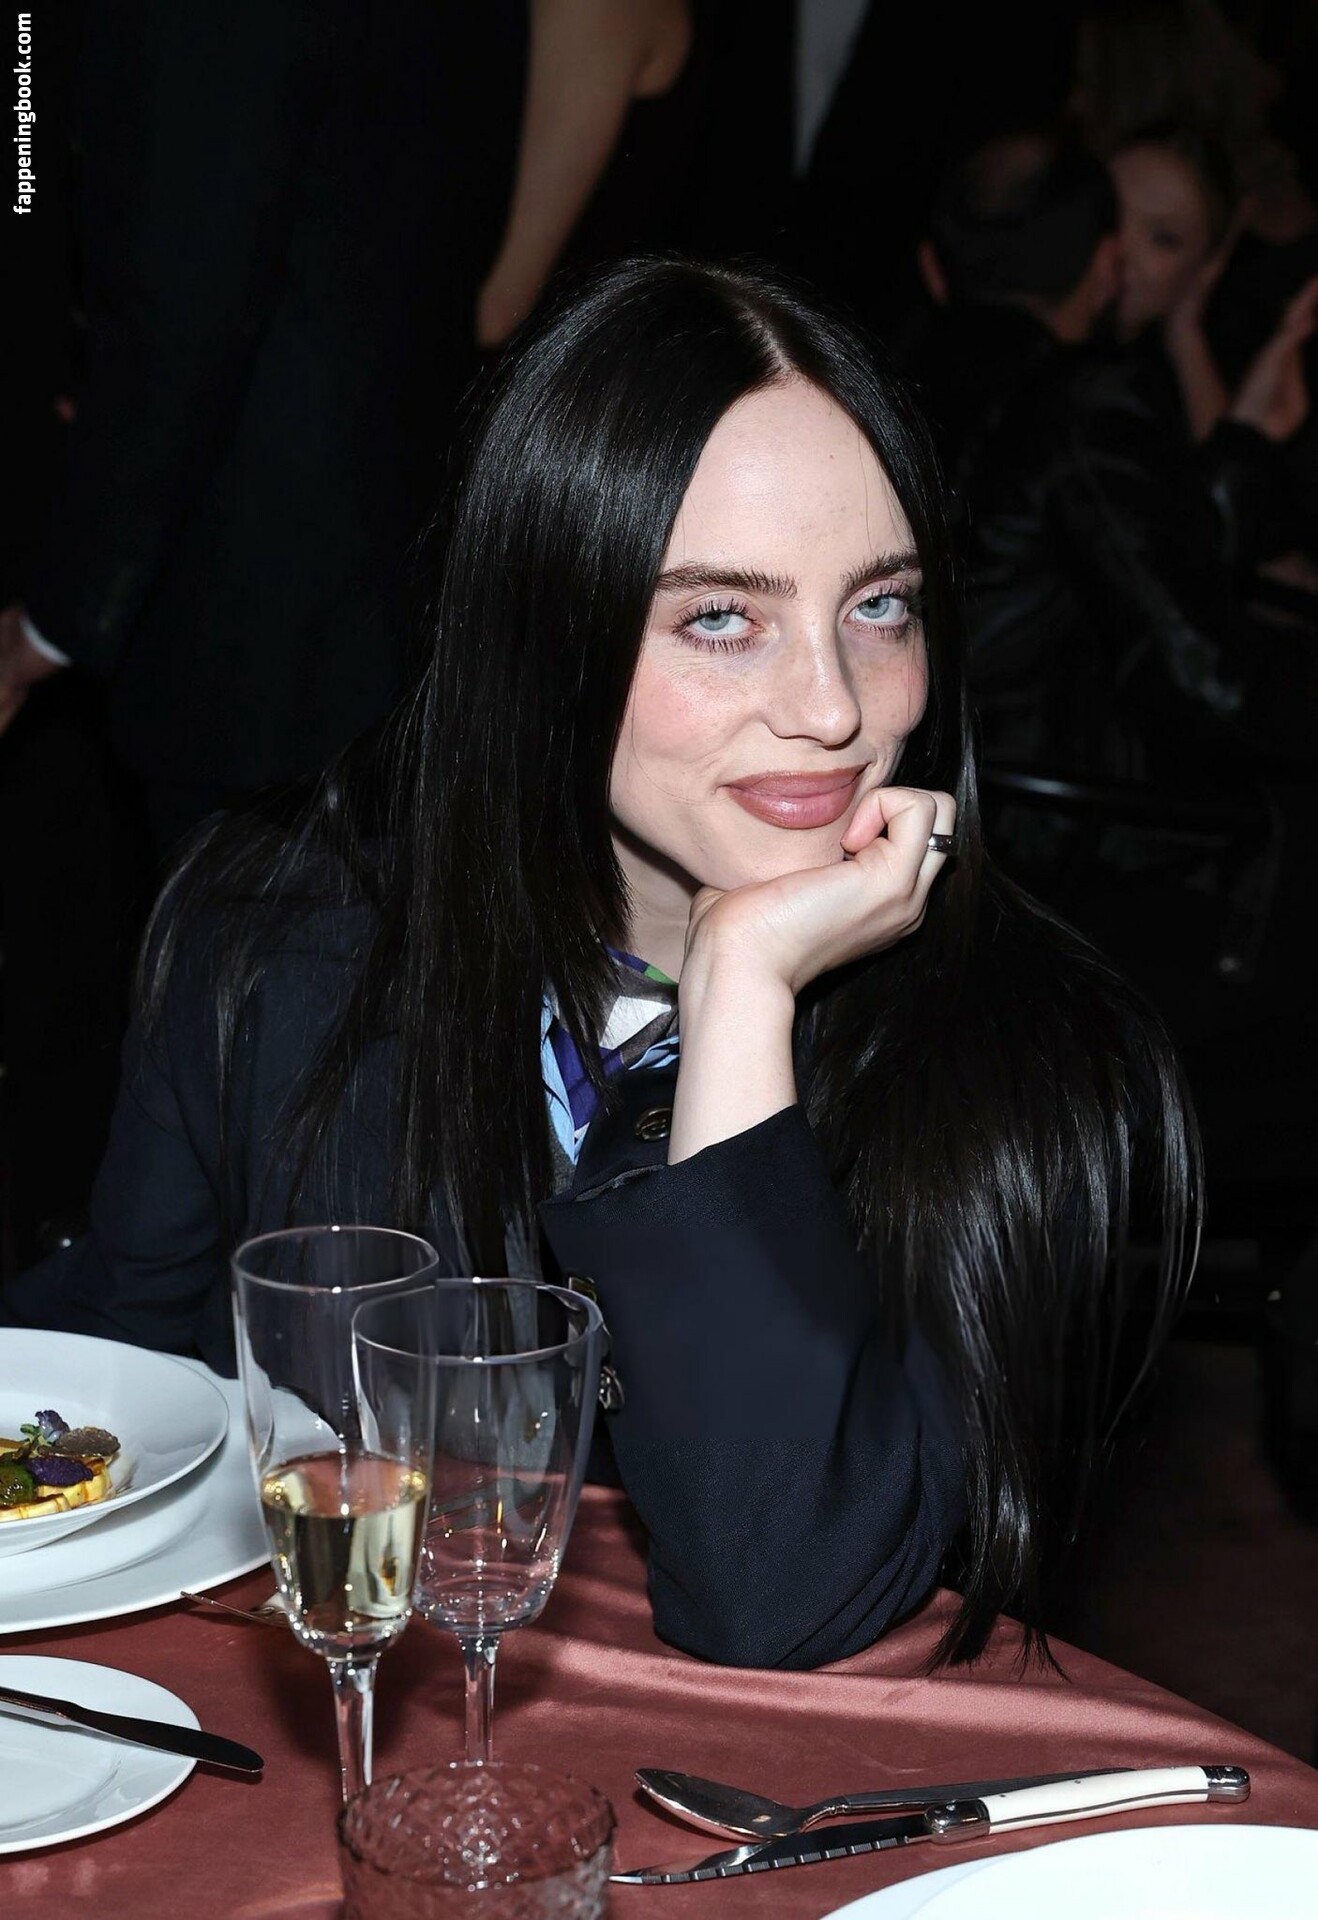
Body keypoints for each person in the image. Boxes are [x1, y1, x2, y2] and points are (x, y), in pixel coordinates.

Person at [2, 259, 1197, 1671]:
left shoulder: (1032, 1054)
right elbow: (115, 1375)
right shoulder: (280, 930)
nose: (832, 706)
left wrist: (741, 996)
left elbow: (779, 1587)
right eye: (720, 618)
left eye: (880, 606)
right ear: (536, 635)